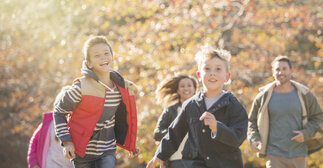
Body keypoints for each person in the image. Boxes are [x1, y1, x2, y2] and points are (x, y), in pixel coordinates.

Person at [147, 45, 248, 168]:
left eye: (218, 69)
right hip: (195, 163)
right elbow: (174, 133)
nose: (212, 73)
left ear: (227, 77)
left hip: (225, 164)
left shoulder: (233, 105)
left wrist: (217, 128)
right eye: (207, 69)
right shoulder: (191, 105)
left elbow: (239, 137)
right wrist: (160, 154)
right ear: (199, 75)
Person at [53, 36, 139, 168]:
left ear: (112, 57)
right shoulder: (81, 88)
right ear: (89, 63)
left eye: (106, 53)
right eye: (97, 55)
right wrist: (66, 141)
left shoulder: (122, 88)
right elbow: (59, 111)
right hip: (81, 151)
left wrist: (131, 143)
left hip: (107, 150)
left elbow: (125, 118)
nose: (103, 58)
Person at [247, 55, 323, 168]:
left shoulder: (304, 94)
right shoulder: (263, 96)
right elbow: (251, 121)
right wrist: (254, 139)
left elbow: (318, 118)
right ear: (273, 72)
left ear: (291, 71)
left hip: (298, 154)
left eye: (284, 69)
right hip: (273, 154)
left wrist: (306, 133)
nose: (281, 72)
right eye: (277, 69)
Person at [153, 74, 198, 167]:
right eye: (182, 86)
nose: (186, 88)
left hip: (197, 160)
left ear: (194, 89)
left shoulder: (201, 109)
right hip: (175, 160)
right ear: (177, 90)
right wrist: (174, 132)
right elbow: (157, 134)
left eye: (189, 85)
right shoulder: (170, 110)